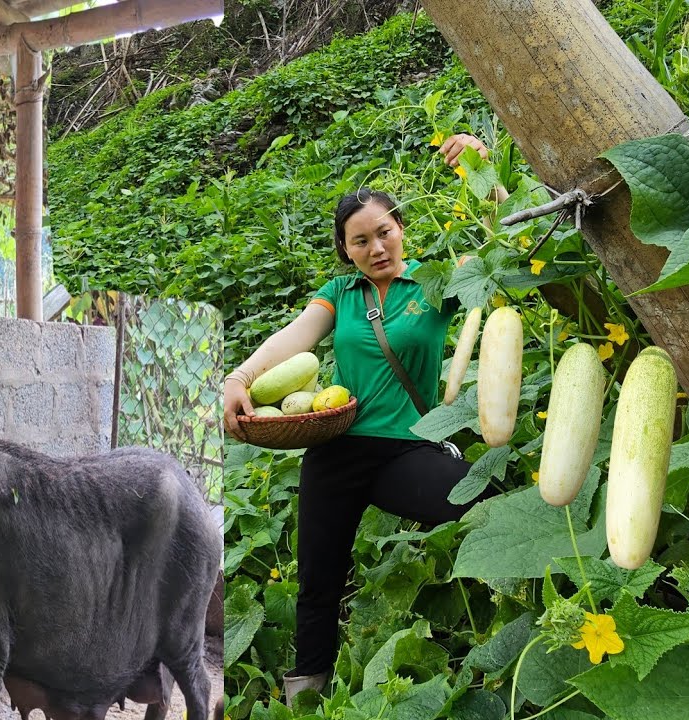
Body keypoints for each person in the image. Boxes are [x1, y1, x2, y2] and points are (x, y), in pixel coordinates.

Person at [223, 134, 501, 700]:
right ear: (345, 250)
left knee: (488, 499)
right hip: (338, 448)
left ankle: (496, 626)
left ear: (401, 228)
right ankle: (306, 689)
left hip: (408, 449)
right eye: (360, 241)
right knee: (317, 578)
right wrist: (239, 378)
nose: (376, 248)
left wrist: (481, 168)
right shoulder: (341, 295)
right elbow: (293, 337)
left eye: (384, 232)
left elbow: (501, 244)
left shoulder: (437, 279)